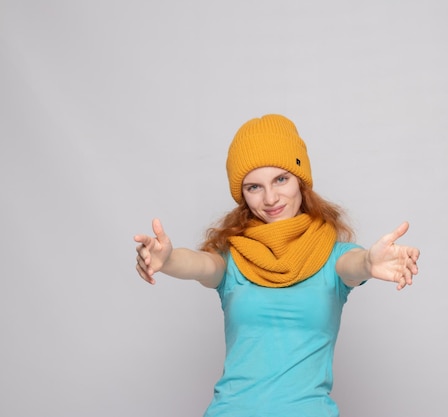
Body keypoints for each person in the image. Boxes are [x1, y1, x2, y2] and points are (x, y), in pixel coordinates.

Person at [134, 114, 420, 417]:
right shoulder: (233, 258)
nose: (270, 198)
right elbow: (200, 265)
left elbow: (355, 265)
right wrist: (168, 260)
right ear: (242, 195)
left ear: (301, 180)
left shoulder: (333, 258)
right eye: (254, 187)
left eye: (280, 179)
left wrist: (368, 262)